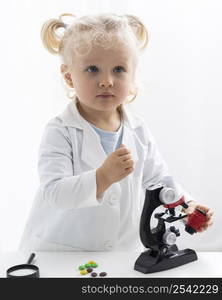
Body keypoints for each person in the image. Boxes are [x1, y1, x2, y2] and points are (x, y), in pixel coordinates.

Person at [19, 12, 213, 252]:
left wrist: (187, 206)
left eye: (119, 69)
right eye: (92, 69)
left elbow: (159, 180)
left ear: (132, 75)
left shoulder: (138, 129)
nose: (107, 81)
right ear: (69, 77)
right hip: (63, 252)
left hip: (119, 252)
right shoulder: (60, 131)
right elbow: (55, 192)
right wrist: (102, 177)